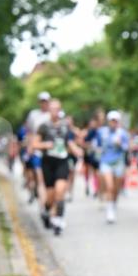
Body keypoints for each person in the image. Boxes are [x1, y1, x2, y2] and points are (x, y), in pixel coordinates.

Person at [37, 100, 82, 235]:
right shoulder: (43, 126)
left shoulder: (65, 126)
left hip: (62, 161)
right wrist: (45, 145)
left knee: (60, 191)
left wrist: (76, 150)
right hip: (48, 162)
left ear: (60, 110)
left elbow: (69, 142)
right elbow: (34, 144)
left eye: (57, 109)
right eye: (52, 109)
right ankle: (46, 211)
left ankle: (58, 220)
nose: (54, 111)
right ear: (48, 110)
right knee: (50, 197)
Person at [98, 110, 130, 223]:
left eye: (115, 121)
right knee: (109, 186)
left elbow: (127, 148)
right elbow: (97, 145)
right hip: (105, 162)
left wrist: (120, 144)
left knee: (116, 188)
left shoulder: (122, 133)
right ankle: (109, 209)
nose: (113, 123)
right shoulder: (102, 132)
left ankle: (113, 203)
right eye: (112, 121)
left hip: (118, 163)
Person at [26, 92, 52, 206]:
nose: (44, 104)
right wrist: (30, 146)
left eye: (46, 101)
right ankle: (43, 205)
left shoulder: (53, 115)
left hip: (51, 153)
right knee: (39, 177)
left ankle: (48, 201)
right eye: (42, 101)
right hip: (38, 151)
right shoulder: (33, 115)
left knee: (49, 180)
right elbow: (30, 132)